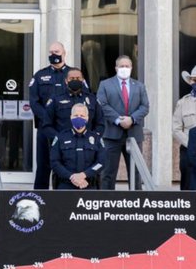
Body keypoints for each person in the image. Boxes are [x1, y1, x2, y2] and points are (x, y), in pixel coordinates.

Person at [97, 55, 150, 190]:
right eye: (121, 66)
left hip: (133, 134)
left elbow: (145, 107)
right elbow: (102, 104)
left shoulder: (139, 86)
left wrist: (131, 119)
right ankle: (106, 202)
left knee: (136, 172)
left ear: (131, 68)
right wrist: (118, 120)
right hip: (111, 135)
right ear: (116, 68)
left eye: (127, 66)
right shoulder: (105, 84)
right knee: (108, 171)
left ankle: (135, 203)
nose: (124, 69)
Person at [29, 42, 74, 189]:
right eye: (51, 52)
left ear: (64, 53)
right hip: (45, 129)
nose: (53, 54)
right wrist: (48, 118)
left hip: (68, 129)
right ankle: (39, 199)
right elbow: (34, 102)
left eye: (56, 51)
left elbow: (83, 99)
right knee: (43, 165)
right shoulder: (40, 75)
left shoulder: (74, 75)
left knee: (67, 164)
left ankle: (63, 199)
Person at [50, 103, 105, 190]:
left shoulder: (96, 138)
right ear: (71, 117)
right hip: (65, 187)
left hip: (89, 186)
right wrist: (72, 177)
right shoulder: (61, 137)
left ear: (87, 118)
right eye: (76, 115)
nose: (79, 118)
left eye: (82, 116)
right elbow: (55, 162)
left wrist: (84, 175)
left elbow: (101, 162)